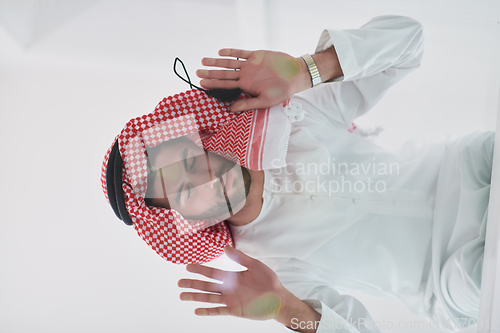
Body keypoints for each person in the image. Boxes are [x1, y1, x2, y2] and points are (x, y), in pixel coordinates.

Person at [101, 15, 493, 333]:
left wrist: (308, 70)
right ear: (187, 225)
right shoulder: (272, 267)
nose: (202, 179)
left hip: (471, 168)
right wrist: (285, 308)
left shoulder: (296, 117)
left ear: (205, 141)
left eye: (189, 162)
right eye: (184, 194)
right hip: (457, 275)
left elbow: (410, 41)